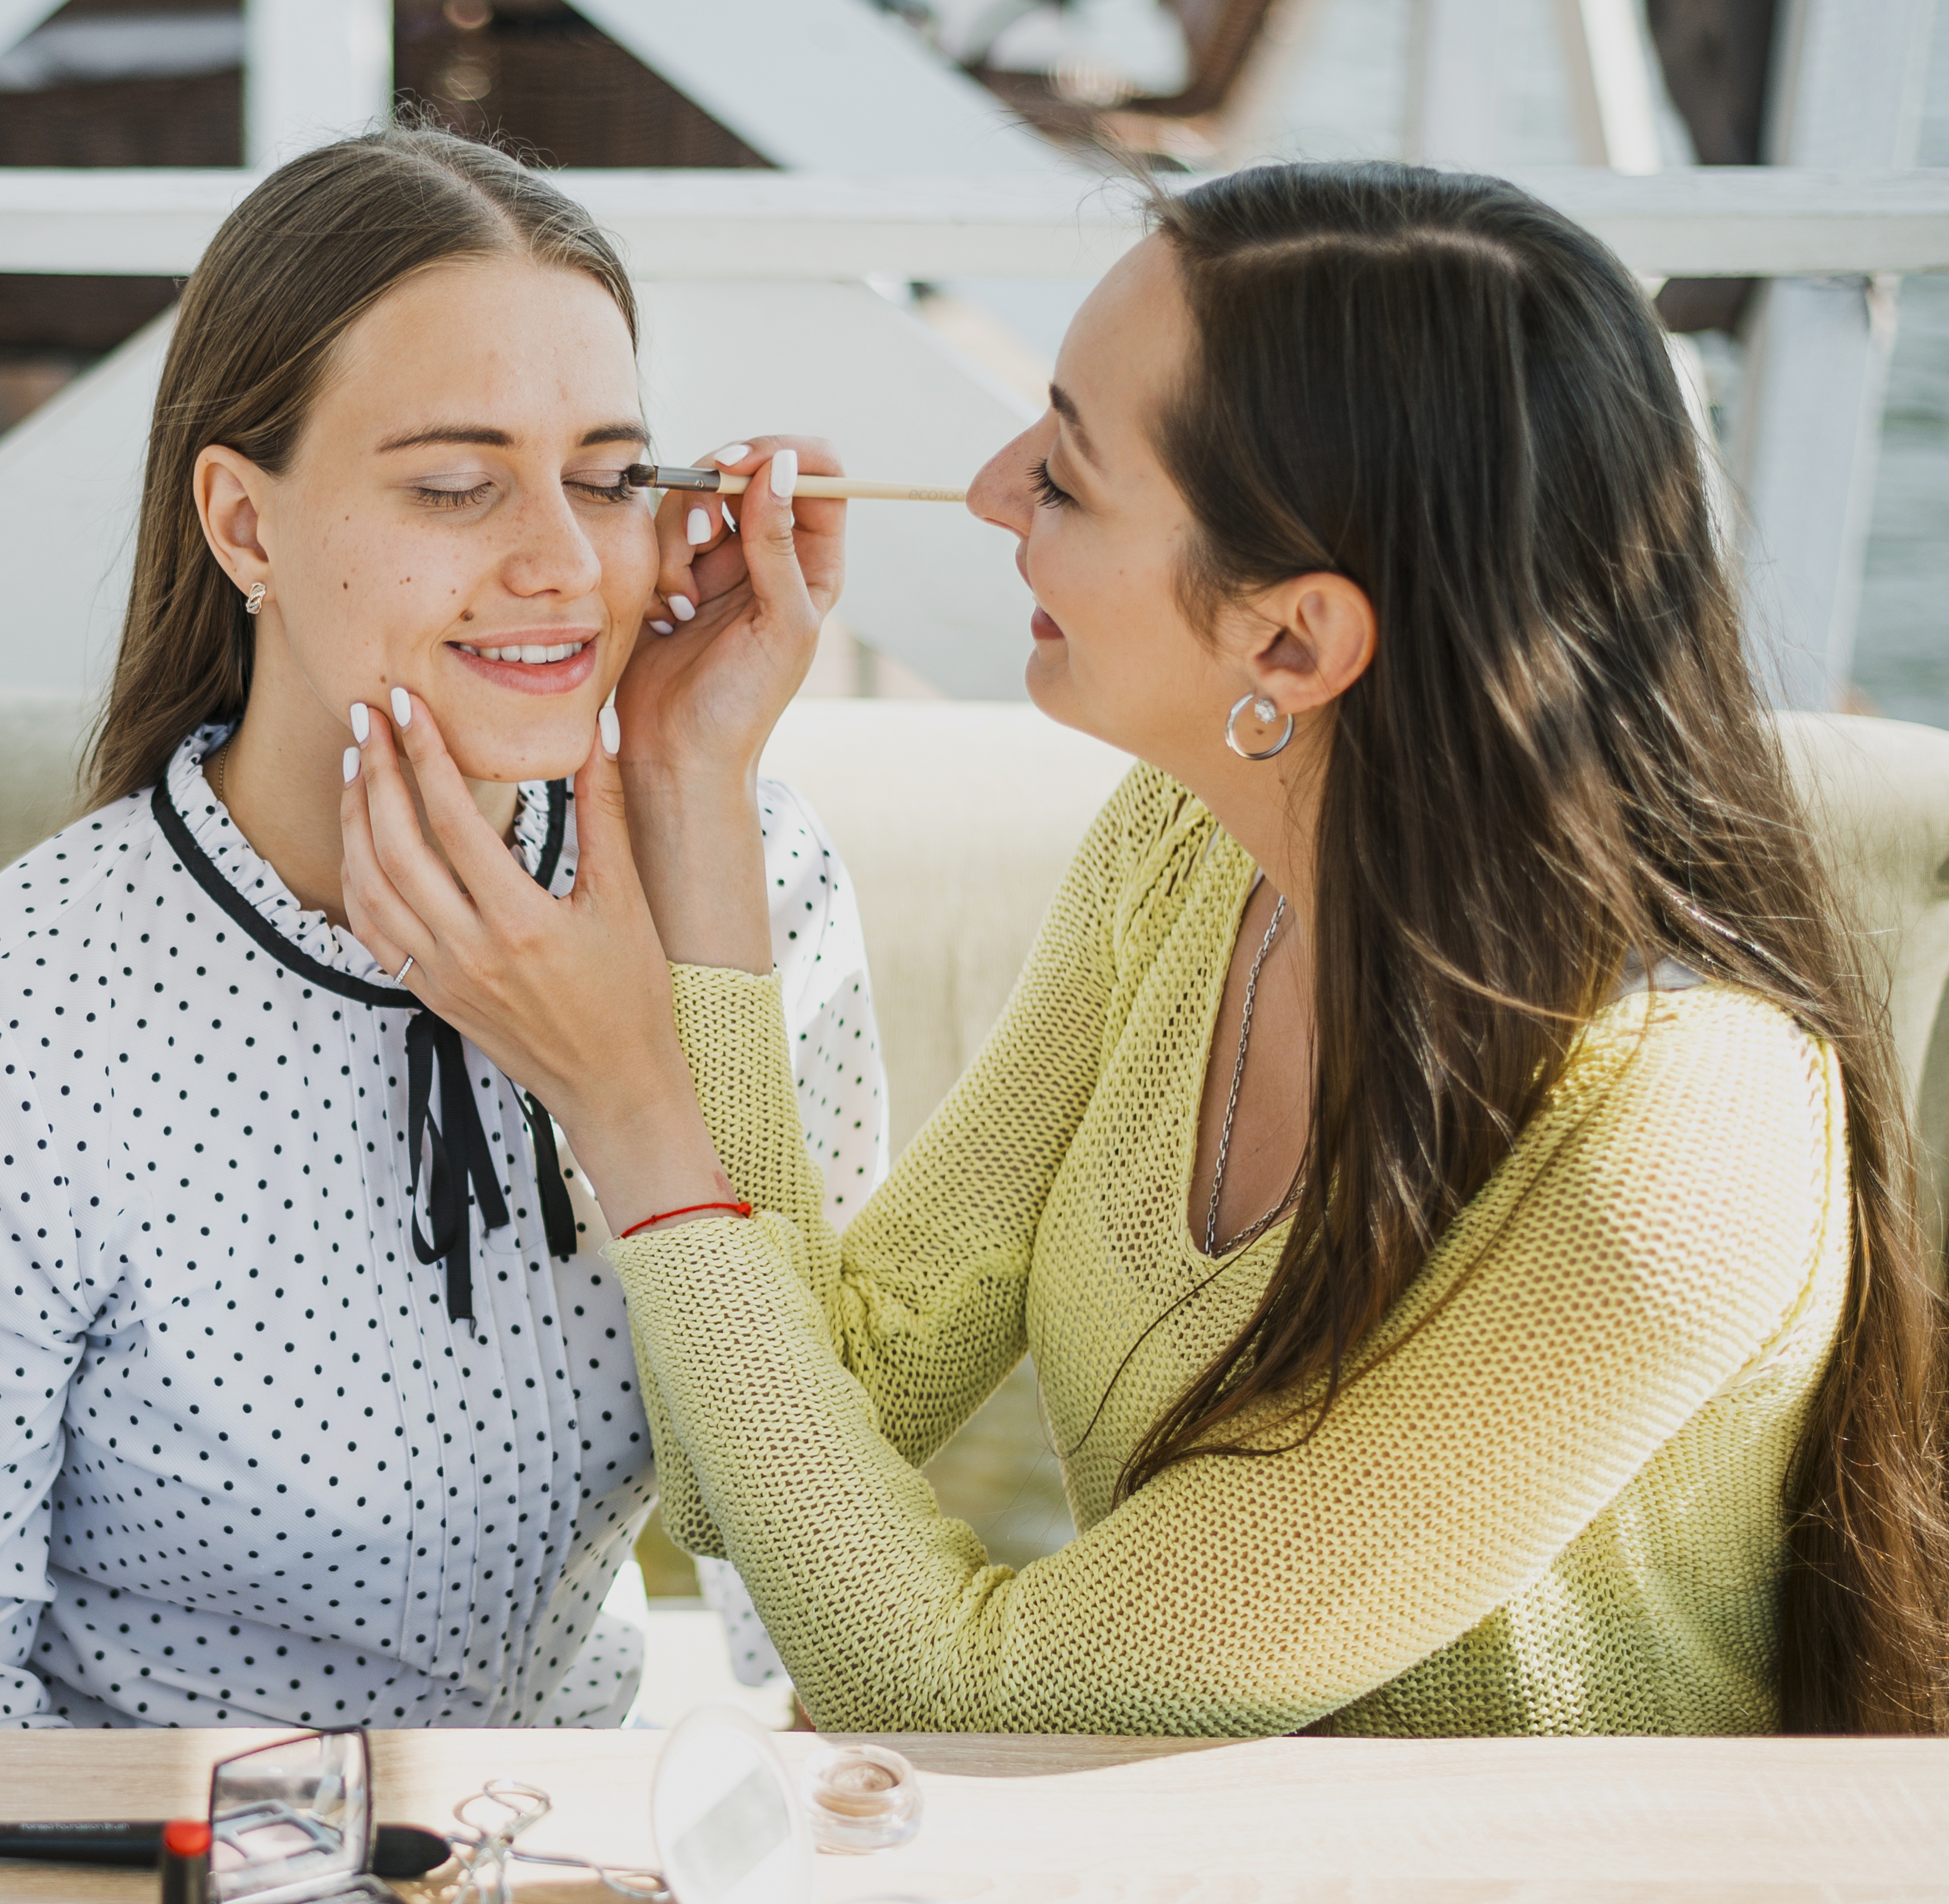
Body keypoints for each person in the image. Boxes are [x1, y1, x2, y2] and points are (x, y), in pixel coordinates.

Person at [339, 163, 1949, 1738]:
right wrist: (690, 786)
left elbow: (954, 1689)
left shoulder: (1682, 1148)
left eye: (1068, 473)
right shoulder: (1188, 862)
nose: (988, 491)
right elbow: (756, 1453)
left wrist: (627, 1098)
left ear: (1293, 640)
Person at [0, 128, 883, 1728]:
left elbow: (824, 1604)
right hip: (141, 1900)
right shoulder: (6, 1020)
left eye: (609, 476)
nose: (565, 566)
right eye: (454, 483)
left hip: (574, 1858)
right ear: (244, 526)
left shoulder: (748, 869)